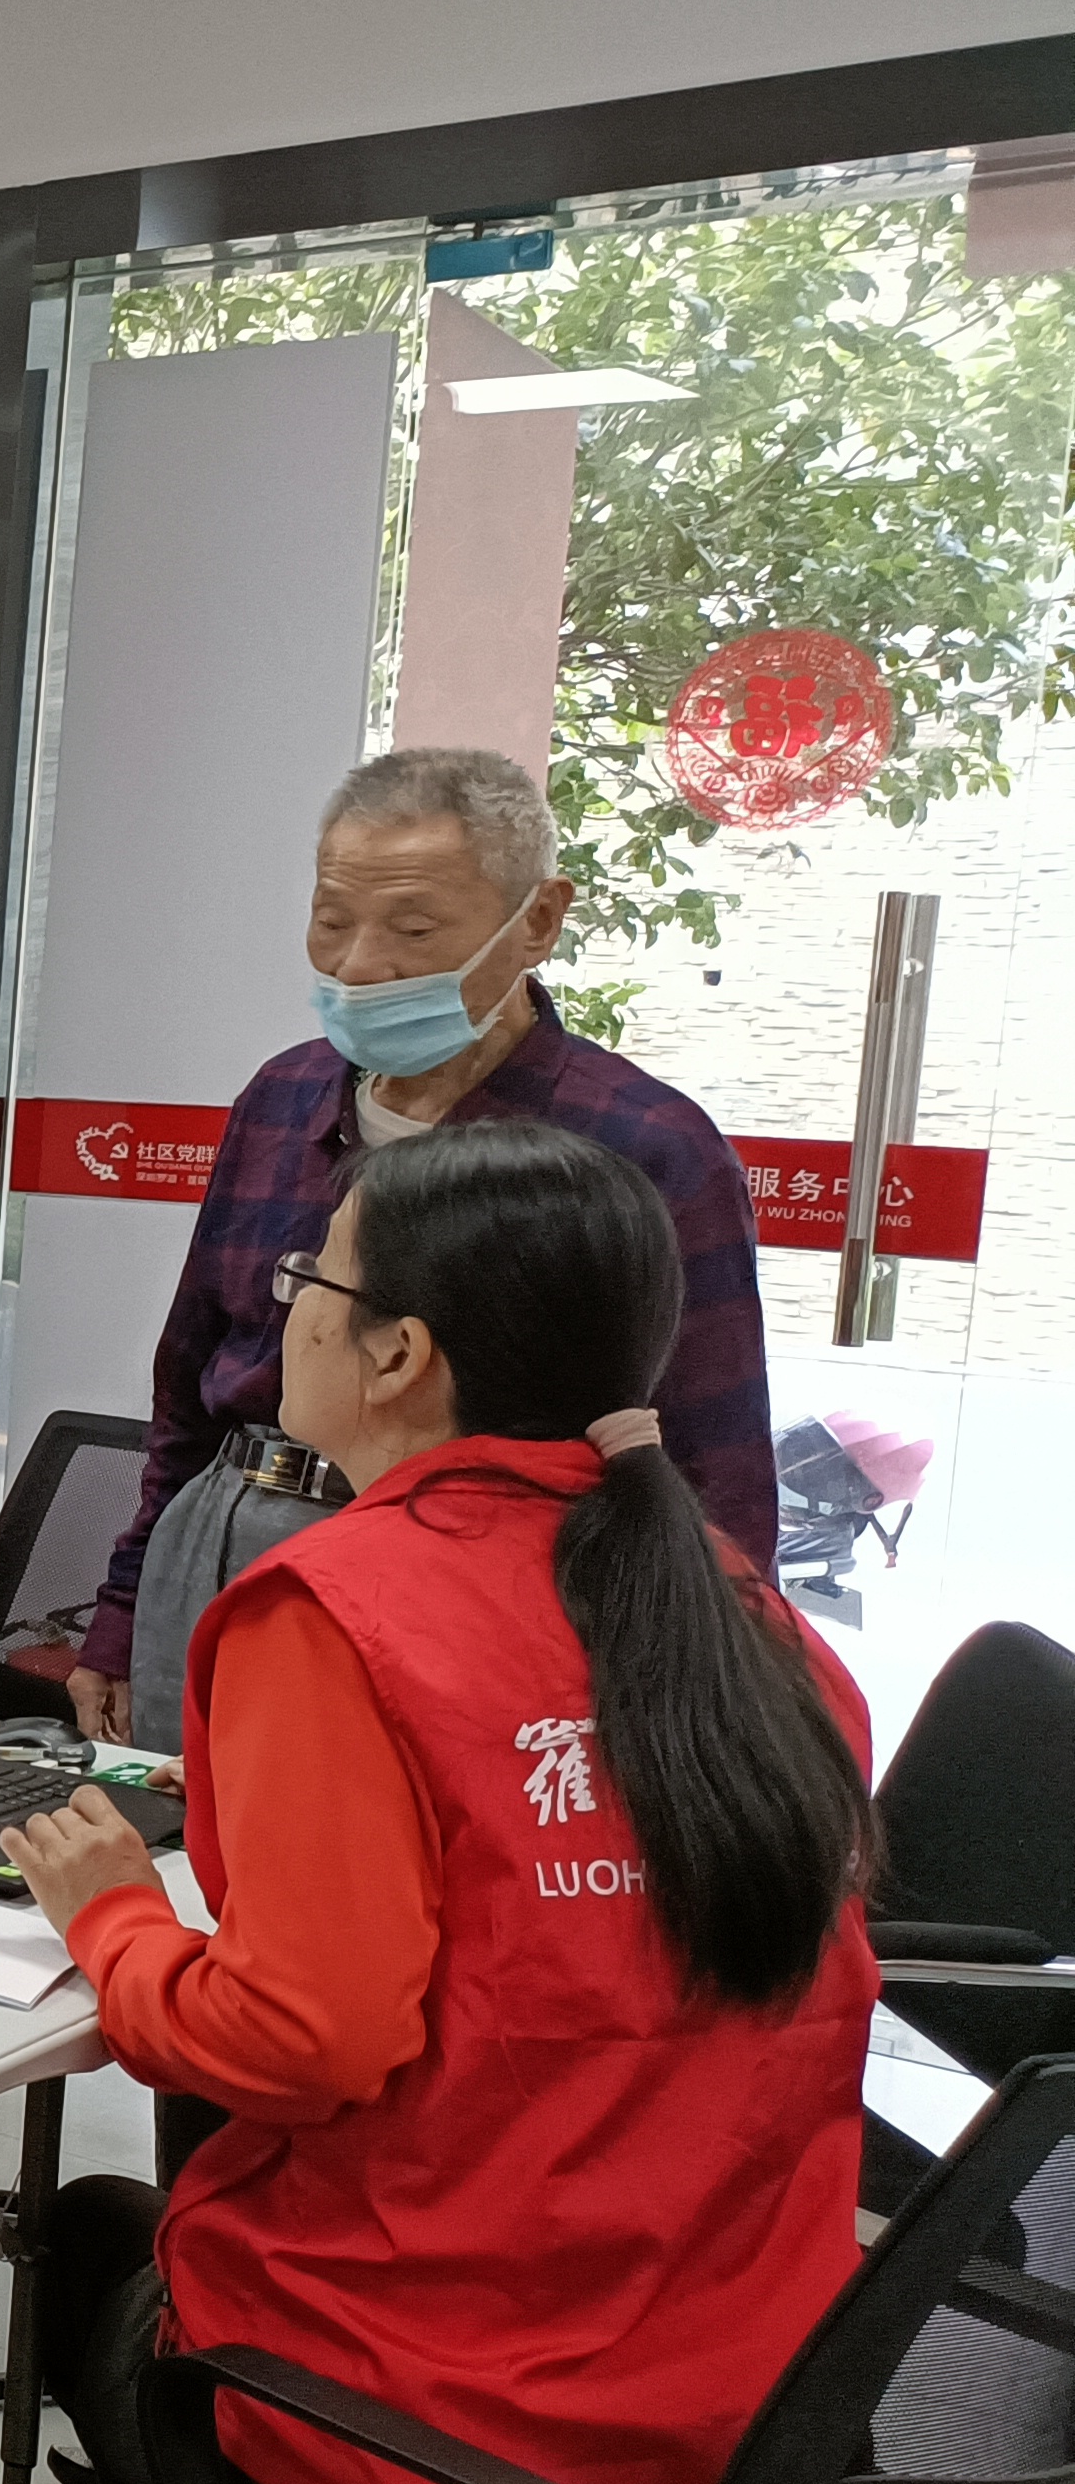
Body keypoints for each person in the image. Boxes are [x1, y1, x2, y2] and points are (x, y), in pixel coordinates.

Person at [0, 1122, 876, 2484]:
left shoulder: (336, 1612)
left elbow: (294, 2040)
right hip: (729, 2473)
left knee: (83, 2251)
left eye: (305, 1282)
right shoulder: (742, 1614)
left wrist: (110, 1916)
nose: (282, 1315)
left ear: (395, 1354)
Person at [74, 748, 772, 1749]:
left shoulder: (641, 1146)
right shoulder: (281, 1098)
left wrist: (711, 1712)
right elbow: (187, 1383)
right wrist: (125, 1603)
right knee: (186, 1833)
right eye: (331, 921)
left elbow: (712, 1462)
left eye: (413, 930)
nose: (360, 966)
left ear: (537, 920)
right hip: (228, 1537)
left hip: (490, 1585)